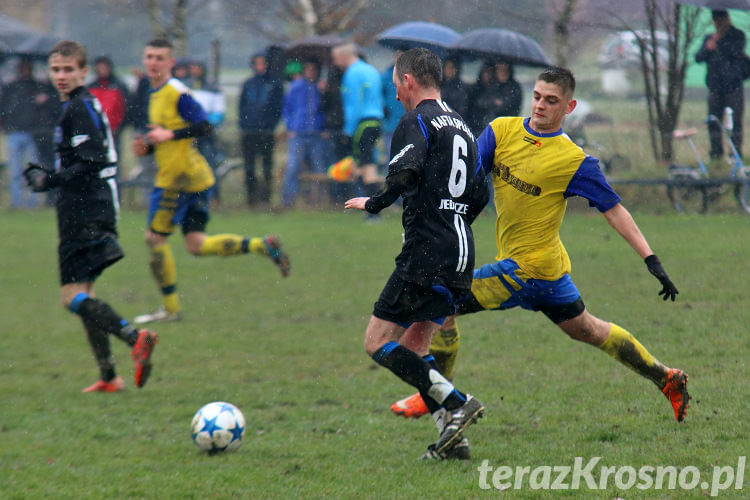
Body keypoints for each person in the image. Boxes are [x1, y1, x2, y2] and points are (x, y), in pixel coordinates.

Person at [390, 68, 691, 440]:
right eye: (537, 96)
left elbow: (614, 209)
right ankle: (668, 377)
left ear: (569, 106)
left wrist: (651, 260)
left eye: (551, 101)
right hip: (548, 274)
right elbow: (467, 179)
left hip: (530, 270)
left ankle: (436, 391)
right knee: (589, 329)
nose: (540, 106)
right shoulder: (501, 131)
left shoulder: (575, 161)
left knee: (440, 305)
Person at [345, 48, 490, 460]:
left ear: (408, 81)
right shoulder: (461, 125)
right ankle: (453, 442)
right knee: (416, 347)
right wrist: (454, 218)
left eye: (395, 87)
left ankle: (458, 401)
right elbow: (480, 192)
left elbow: (404, 173)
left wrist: (373, 203)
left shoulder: (416, 121)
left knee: (377, 343)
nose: (394, 97)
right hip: (461, 255)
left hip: (426, 254)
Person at [23, 40, 157, 392]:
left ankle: (135, 336)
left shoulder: (77, 108)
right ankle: (109, 376)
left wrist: (49, 179)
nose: (61, 76)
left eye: (69, 69)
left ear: (84, 71)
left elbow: (92, 160)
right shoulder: (81, 104)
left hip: (84, 208)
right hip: (93, 204)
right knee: (84, 295)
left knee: (70, 297)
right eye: (56, 70)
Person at [131, 38, 290, 325]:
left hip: (177, 179)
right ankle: (261, 245)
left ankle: (169, 309)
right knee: (196, 244)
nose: (153, 62)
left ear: (170, 62)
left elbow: (203, 125)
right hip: (195, 177)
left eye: (159, 57)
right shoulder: (154, 93)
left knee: (154, 239)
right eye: (149, 56)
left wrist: (168, 136)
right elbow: (173, 133)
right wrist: (150, 145)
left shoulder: (176, 91)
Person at [0, 56, 59, 208]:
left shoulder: (38, 87)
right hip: (14, 132)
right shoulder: (11, 87)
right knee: (15, 170)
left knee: (33, 168)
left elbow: (52, 103)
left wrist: (45, 99)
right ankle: (16, 201)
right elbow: (4, 108)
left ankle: (33, 201)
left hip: (33, 132)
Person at [332, 43, 384, 206]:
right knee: (366, 162)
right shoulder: (371, 70)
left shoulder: (352, 73)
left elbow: (354, 104)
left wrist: (348, 131)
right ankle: (368, 203)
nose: (334, 62)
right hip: (376, 121)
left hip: (362, 122)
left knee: (364, 164)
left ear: (343, 56)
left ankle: (372, 208)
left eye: (335, 58)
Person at [695, 9, 746, 159]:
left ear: (727, 19)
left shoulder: (737, 36)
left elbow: (735, 51)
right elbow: (698, 57)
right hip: (715, 87)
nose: (718, 24)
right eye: (716, 21)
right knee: (714, 121)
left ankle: (735, 154)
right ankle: (716, 153)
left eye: (721, 20)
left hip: (733, 87)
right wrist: (708, 47)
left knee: (735, 122)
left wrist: (720, 42)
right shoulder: (710, 39)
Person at [239, 51, 284, 205]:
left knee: (266, 166)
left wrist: (270, 125)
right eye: (257, 63)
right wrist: (244, 125)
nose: (260, 66)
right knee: (249, 167)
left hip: (266, 132)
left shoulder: (275, 84)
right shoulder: (248, 84)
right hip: (249, 131)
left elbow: (278, 108)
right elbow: (242, 106)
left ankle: (266, 198)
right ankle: (251, 198)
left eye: (263, 63)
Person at [281, 60, 327, 207]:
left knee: (318, 167)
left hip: (316, 133)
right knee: (293, 166)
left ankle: (318, 200)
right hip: (298, 133)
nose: (310, 72)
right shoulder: (296, 87)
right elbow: (287, 109)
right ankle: (288, 200)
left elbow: (326, 108)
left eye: (313, 69)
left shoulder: (321, 87)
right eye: (308, 69)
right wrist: (290, 127)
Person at [185, 59, 227, 200]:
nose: (195, 72)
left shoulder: (213, 89)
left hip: (206, 134)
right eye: (193, 68)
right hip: (188, 134)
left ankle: (211, 196)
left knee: (209, 165)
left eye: (198, 68)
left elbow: (218, 113)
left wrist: (203, 124)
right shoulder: (185, 87)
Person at [87, 56, 129, 156]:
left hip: (114, 129)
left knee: (114, 155)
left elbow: (125, 107)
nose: (102, 70)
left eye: (104, 67)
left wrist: (120, 126)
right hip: (96, 130)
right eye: (99, 67)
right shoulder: (92, 86)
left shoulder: (118, 85)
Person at [381, 49, 406, 157]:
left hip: (407, 122)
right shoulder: (386, 75)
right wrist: (383, 107)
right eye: (397, 56)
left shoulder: (412, 77)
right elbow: (379, 94)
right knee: (391, 154)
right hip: (390, 122)